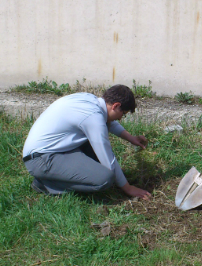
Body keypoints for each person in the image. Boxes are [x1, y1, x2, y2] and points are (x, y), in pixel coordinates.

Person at [22, 84, 152, 199]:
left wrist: (130, 138)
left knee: (99, 159)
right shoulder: (93, 117)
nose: (121, 118)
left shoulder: (91, 101)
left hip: (55, 149)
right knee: (105, 179)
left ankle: (57, 176)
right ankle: (46, 184)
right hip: (40, 159)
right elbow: (107, 158)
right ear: (116, 105)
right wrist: (128, 188)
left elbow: (109, 121)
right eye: (122, 114)